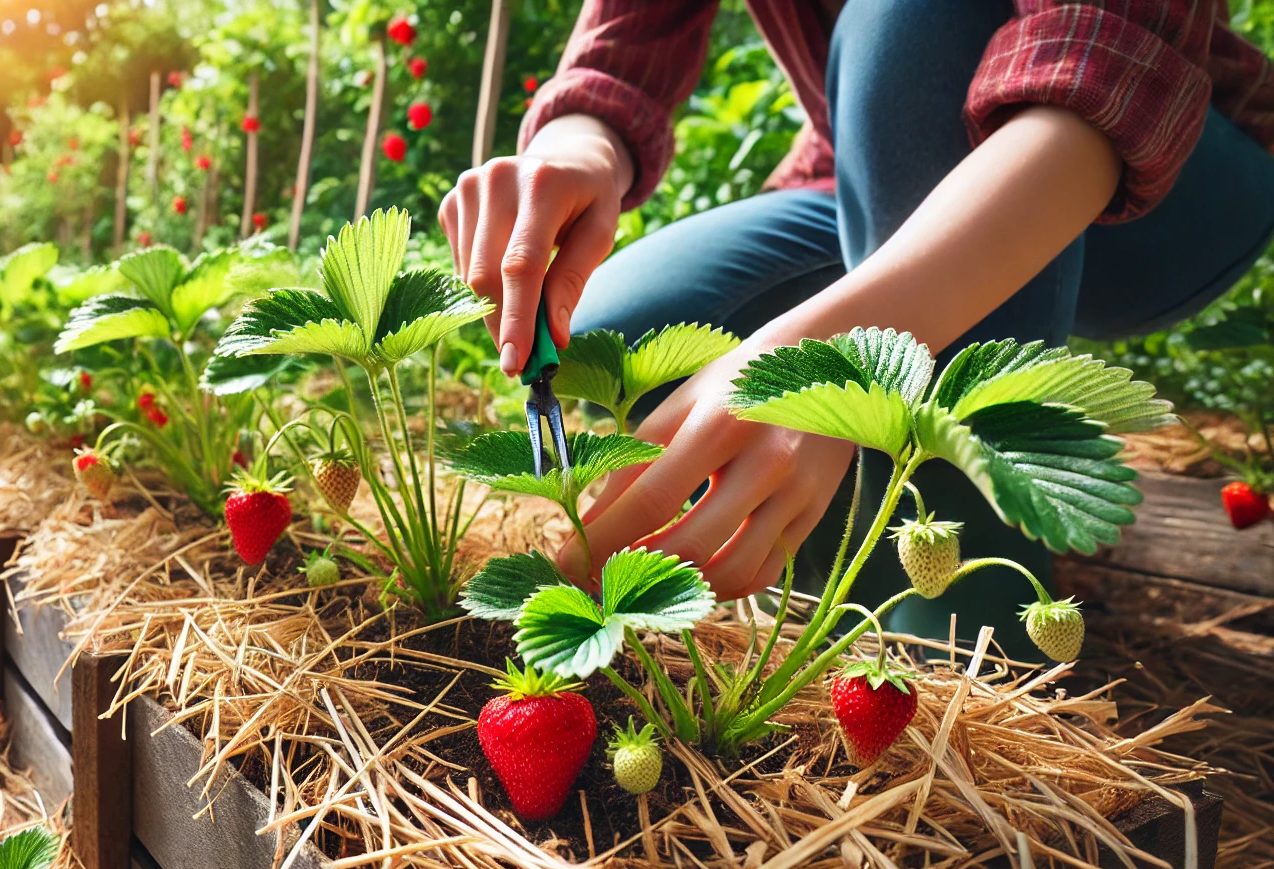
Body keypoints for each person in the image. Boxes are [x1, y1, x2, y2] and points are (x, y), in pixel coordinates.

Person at [440, 0, 1274, 652]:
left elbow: (1105, 60)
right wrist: (578, 151)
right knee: (619, 333)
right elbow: (617, 60)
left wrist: (823, 370)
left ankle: (964, 632)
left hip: (1159, 173)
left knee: (906, 18)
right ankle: (830, 581)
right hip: (855, 185)